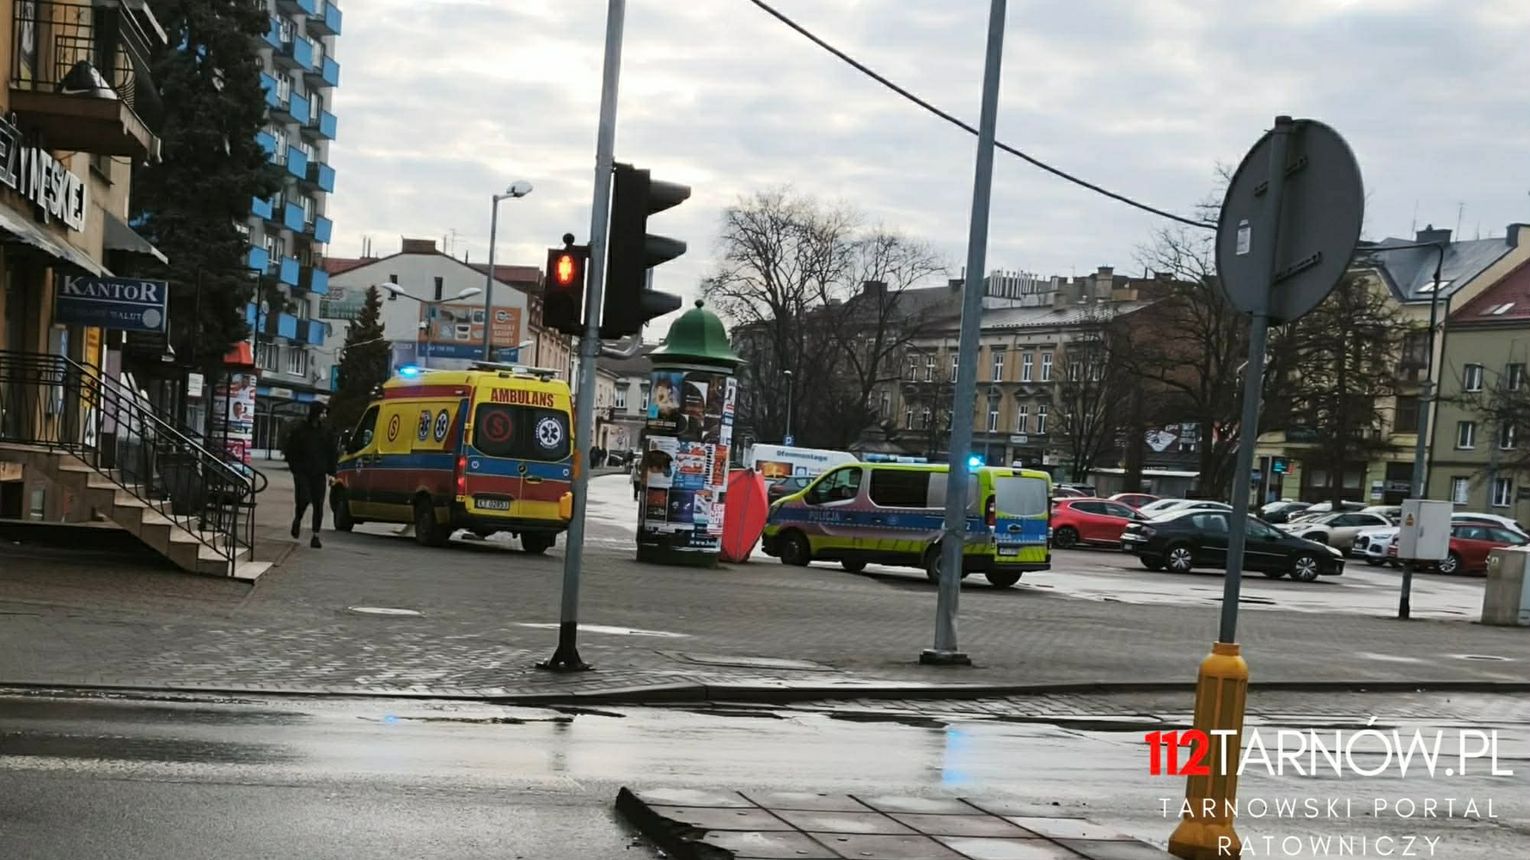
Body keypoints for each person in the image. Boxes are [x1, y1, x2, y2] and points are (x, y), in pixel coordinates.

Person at [282, 401, 338, 548]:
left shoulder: (326, 432)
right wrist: (295, 468)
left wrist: (332, 473)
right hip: (302, 472)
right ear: (315, 413)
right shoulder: (300, 430)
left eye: (325, 413)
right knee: (304, 498)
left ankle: (316, 535)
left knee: (318, 504)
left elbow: (332, 453)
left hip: (319, 473)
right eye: (322, 413)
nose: (324, 416)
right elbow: (290, 450)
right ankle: (298, 518)